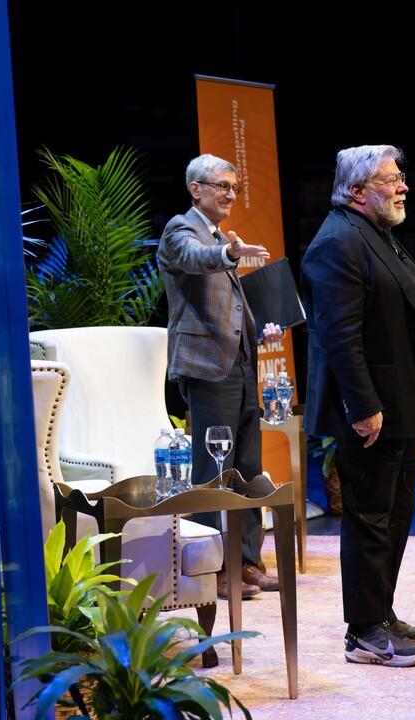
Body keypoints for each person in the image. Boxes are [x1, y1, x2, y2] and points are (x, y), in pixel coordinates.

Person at [301, 145, 415, 667]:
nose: (403, 186)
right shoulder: (337, 242)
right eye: (391, 179)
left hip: (403, 405)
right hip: (369, 410)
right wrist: (362, 405)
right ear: (358, 191)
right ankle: (364, 633)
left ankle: (380, 613)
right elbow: (339, 337)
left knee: (394, 514)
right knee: (369, 519)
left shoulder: (375, 235)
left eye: (401, 176)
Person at [157, 153, 283, 597]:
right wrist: (228, 251)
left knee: (248, 468)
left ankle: (247, 563)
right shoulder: (181, 230)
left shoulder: (216, 235)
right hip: (209, 369)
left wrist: (258, 332)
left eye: (235, 187)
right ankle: (213, 571)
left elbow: (232, 308)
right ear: (197, 189)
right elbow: (196, 259)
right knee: (214, 468)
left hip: (240, 363)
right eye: (222, 186)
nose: (231, 194)